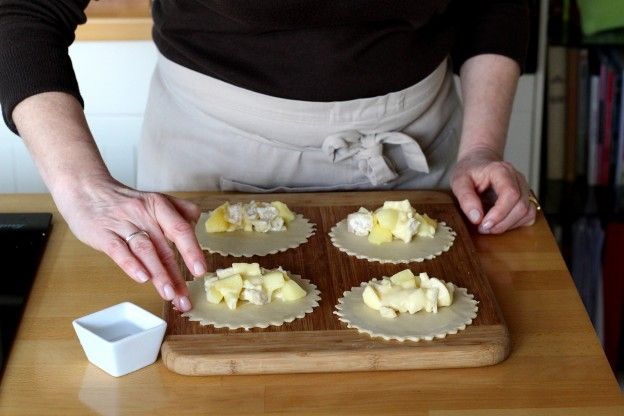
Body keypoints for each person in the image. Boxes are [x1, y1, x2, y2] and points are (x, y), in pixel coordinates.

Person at [0, 0, 538, 313]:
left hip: (419, 149)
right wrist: (80, 186)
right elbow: (24, 8)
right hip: (206, 153)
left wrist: (483, 148)